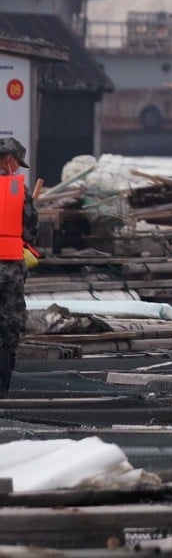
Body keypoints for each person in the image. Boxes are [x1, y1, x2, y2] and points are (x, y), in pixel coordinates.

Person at [0, 137, 38, 398]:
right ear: (10, 160)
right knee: (9, 327)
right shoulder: (18, 189)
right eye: (17, 164)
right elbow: (31, 232)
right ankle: (2, 391)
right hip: (10, 268)